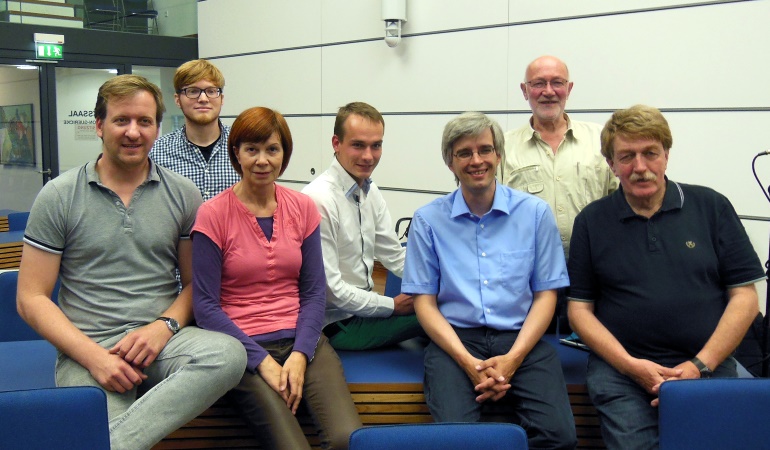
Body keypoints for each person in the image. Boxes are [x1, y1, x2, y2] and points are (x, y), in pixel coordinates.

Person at [16, 74, 247, 450]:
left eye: (144, 121)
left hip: (164, 341)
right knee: (99, 417)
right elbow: (30, 298)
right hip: (88, 346)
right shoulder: (58, 195)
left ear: (157, 128)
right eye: (121, 120)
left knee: (228, 355)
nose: (133, 132)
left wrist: (164, 327)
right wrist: (95, 358)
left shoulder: (183, 194)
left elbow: (196, 284)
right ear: (99, 125)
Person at [567, 105, 765, 450]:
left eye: (650, 153)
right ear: (611, 164)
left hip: (708, 364)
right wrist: (631, 367)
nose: (640, 167)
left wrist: (699, 366)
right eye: (626, 156)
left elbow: (745, 297)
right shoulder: (591, 221)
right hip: (622, 372)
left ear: (666, 155)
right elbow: (579, 310)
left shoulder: (712, 207)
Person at [402, 112, 577, 449]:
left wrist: (513, 359)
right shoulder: (427, 221)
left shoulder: (535, 213)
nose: (476, 160)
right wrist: (468, 362)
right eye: (464, 153)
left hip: (521, 339)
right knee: (458, 441)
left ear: (498, 155)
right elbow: (424, 304)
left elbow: (546, 295)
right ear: (450, 163)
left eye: (485, 149)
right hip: (455, 342)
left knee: (560, 436)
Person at [192, 106, 361, 449]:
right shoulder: (212, 214)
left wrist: (300, 354)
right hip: (242, 349)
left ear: (284, 154)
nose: (262, 160)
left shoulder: (303, 208)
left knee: (347, 440)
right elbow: (205, 306)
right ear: (236, 153)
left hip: (304, 340)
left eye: (272, 149)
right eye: (251, 149)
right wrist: (261, 361)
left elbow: (314, 292)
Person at [302, 102, 423, 350]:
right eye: (358, 145)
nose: (368, 156)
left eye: (376, 145)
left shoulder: (370, 190)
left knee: (445, 303)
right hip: (336, 324)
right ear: (336, 143)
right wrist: (393, 306)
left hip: (363, 311)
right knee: (445, 312)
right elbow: (331, 291)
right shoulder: (319, 199)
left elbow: (394, 256)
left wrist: (441, 280)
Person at [499, 55, 617, 258]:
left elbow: (621, 201)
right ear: (524, 90)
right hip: (530, 267)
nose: (548, 91)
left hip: (595, 264)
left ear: (569, 89)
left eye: (557, 82)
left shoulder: (600, 139)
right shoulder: (503, 147)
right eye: (538, 83)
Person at [150, 59, 239, 200]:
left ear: (221, 99)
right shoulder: (156, 153)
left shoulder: (242, 146)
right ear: (177, 100)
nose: (203, 99)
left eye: (211, 91)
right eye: (193, 91)